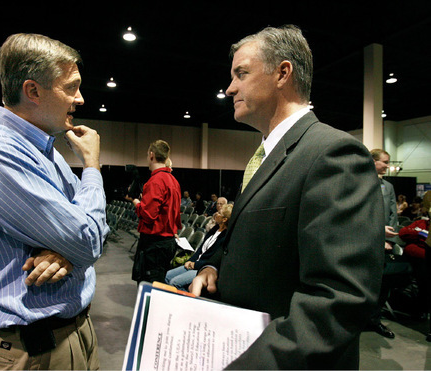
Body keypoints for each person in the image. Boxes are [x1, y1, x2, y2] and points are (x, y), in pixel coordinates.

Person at [189, 25, 385, 369]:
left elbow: (340, 299)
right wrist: (212, 265)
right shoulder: (266, 156)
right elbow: (247, 235)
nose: (230, 87)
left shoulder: (333, 154)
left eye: (242, 73)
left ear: (282, 73)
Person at [0, 33, 109, 370]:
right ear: (33, 91)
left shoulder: (45, 152)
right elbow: (88, 238)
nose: (80, 98)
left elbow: (92, 233)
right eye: (71, 86)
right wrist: (92, 167)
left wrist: (66, 249)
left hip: (77, 333)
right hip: (33, 352)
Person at [126, 140, 182, 284]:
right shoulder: (173, 181)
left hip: (154, 244)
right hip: (167, 241)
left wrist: (136, 202)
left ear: (151, 155)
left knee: (150, 286)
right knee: (159, 284)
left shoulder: (156, 181)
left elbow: (148, 215)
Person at [366, 149, 399, 338]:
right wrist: (378, 235)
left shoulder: (388, 186)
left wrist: (387, 239)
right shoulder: (360, 181)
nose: (387, 166)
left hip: (385, 245)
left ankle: (375, 319)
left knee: (382, 285)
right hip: (367, 242)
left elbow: (393, 214)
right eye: (384, 162)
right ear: (373, 161)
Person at [166, 204, 233, 290]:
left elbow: (212, 260)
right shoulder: (214, 229)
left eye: (219, 213)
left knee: (174, 283)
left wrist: (195, 264)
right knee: (167, 276)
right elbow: (200, 249)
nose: (216, 214)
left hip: (202, 269)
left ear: (224, 219)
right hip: (194, 264)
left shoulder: (224, 238)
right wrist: (190, 260)